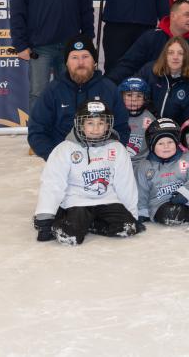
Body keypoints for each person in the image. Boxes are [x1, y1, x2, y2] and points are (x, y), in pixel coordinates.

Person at [33, 100, 140, 245]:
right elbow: (53, 183)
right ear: (80, 124)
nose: (96, 128)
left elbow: (125, 184)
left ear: (108, 125)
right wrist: (45, 217)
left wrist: (132, 214)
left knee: (128, 228)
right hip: (76, 202)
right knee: (70, 236)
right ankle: (64, 219)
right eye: (90, 123)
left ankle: (91, 223)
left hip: (107, 201)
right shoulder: (65, 149)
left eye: (101, 123)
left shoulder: (117, 148)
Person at [11, 0, 94, 110]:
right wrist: (20, 44)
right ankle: (38, 127)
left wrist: (87, 39)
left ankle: (69, 126)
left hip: (71, 48)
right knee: (38, 93)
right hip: (40, 48)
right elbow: (17, 13)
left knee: (70, 90)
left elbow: (86, 9)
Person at [27, 35, 129, 161]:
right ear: (66, 62)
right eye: (74, 57)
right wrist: (55, 157)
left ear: (94, 61)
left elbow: (122, 128)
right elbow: (37, 131)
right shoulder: (53, 91)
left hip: (102, 161)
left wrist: (108, 157)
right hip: (64, 161)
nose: (80, 63)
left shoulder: (109, 89)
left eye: (85, 57)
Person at [106, 0, 189, 87]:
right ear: (173, 16)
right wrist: (108, 85)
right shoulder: (151, 37)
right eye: (187, 15)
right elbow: (128, 65)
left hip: (184, 98)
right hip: (149, 97)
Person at [135, 117, 189, 226]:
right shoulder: (144, 166)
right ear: (152, 145)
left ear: (176, 143)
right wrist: (142, 213)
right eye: (160, 143)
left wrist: (186, 194)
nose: (166, 146)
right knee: (170, 213)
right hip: (162, 204)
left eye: (170, 142)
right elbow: (141, 192)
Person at [137, 36, 189, 125]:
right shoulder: (148, 71)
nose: (175, 57)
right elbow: (132, 95)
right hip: (142, 125)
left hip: (173, 131)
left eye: (180, 53)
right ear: (165, 56)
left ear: (187, 57)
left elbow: (188, 122)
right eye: (171, 53)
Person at [118, 76, 154, 161]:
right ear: (121, 96)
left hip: (142, 161)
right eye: (129, 95)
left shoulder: (150, 118)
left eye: (139, 96)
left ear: (145, 99)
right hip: (119, 161)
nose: (134, 100)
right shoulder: (116, 116)